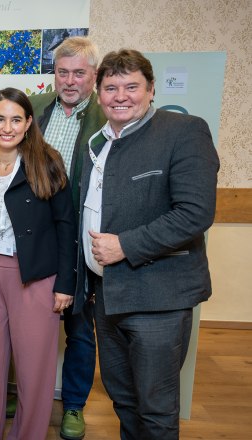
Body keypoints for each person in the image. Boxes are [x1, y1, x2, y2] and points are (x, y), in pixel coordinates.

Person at [80, 49, 219, 439]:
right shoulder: (98, 143)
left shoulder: (184, 132)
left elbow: (194, 213)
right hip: (107, 296)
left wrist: (125, 245)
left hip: (158, 299)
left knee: (156, 409)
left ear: (152, 89)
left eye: (131, 86)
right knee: (123, 399)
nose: (120, 96)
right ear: (99, 94)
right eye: (111, 88)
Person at [0, 87, 77, 440]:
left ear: (28, 123)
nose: (7, 127)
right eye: (0, 119)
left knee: (33, 370)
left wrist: (65, 285)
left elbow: (66, 226)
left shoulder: (47, 164)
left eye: (15, 120)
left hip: (36, 279)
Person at [28, 36, 106, 440]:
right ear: (53, 74)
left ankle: (73, 405)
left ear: (94, 75)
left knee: (78, 329)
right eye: (63, 72)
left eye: (79, 73)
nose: (70, 81)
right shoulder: (35, 107)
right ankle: (24, 394)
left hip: (79, 241)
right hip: (31, 238)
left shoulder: (106, 116)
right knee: (27, 324)